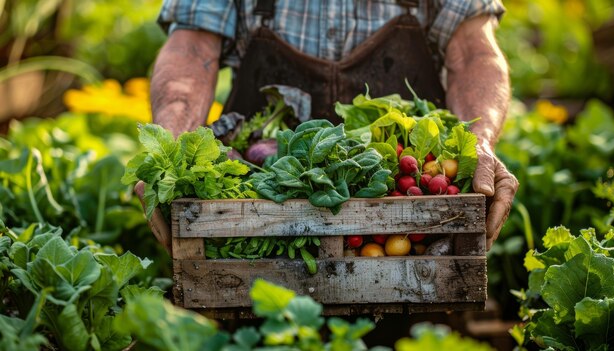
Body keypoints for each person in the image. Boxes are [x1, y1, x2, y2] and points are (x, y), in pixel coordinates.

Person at [141, 0, 518, 251]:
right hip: (263, 217)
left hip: (405, 225)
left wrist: (479, 143)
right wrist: (171, 150)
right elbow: (192, 49)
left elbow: (473, 53)